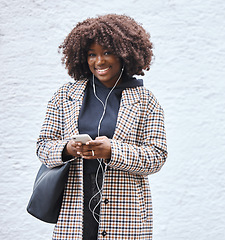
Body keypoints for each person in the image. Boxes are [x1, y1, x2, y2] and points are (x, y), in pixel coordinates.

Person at [36, 14, 167, 240]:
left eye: (107, 52)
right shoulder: (64, 96)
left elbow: (157, 156)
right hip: (75, 207)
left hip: (126, 212)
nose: (99, 61)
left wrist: (112, 151)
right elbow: (42, 147)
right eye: (91, 54)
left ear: (125, 52)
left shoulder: (146, 101)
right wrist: (68, 148)